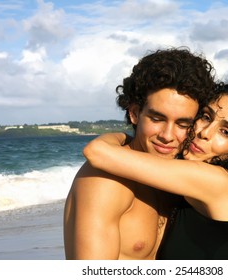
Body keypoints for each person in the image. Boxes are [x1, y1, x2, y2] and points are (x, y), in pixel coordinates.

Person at [83, 73, 228, 259]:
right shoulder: (219, 189)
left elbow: (97, 152)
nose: (205, 132)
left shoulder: (217, 182)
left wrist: (123, 136)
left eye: (226, 132)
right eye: (206, 117)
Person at [63, 48, 216, 259]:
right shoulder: (106, 182)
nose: (167, 136)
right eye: (157, 119)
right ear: (135, 113)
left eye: (182, 123)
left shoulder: (173, 179)